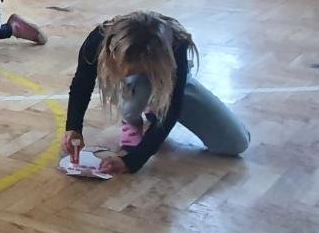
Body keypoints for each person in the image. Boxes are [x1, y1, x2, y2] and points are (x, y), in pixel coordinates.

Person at [62, 11, 250, 175]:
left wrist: (133, 161)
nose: (130, 73)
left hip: (166, 79)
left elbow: (172, 107)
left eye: (136, 69)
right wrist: (73, 127)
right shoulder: (99, 39)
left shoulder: (176, 45)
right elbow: (81, 84)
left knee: (235, 143)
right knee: (137, 86)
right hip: (133, 77)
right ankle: (132, 115)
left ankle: (152, 106)